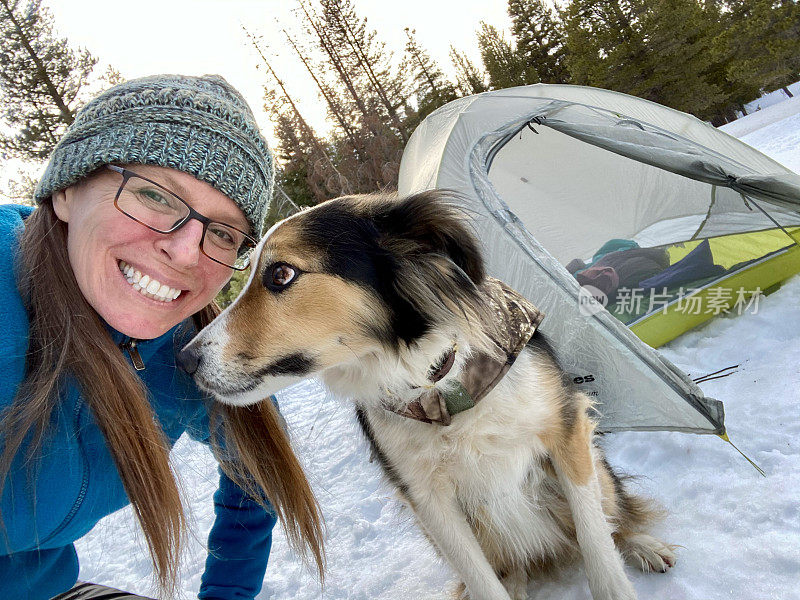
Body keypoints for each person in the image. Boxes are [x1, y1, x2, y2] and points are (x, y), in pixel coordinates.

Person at [0, 74, 325, 600]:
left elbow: (259, 473)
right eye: (155, 196)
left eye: (222, 232)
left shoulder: (187, 354)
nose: (186, 252)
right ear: (65, 189)